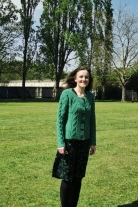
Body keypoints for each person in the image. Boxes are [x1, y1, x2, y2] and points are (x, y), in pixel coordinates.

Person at [52, 66, 96, 207]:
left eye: (86, 77)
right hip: (69, 143)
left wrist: (93, 142)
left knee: (78, 178)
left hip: (84, 143)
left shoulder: (90, 97)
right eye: (81, 76)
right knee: (67, 178)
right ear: (75, 78)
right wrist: (60, 143)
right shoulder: (67, 94)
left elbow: (92, 121)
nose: (84, 79)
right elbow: (60, 120)